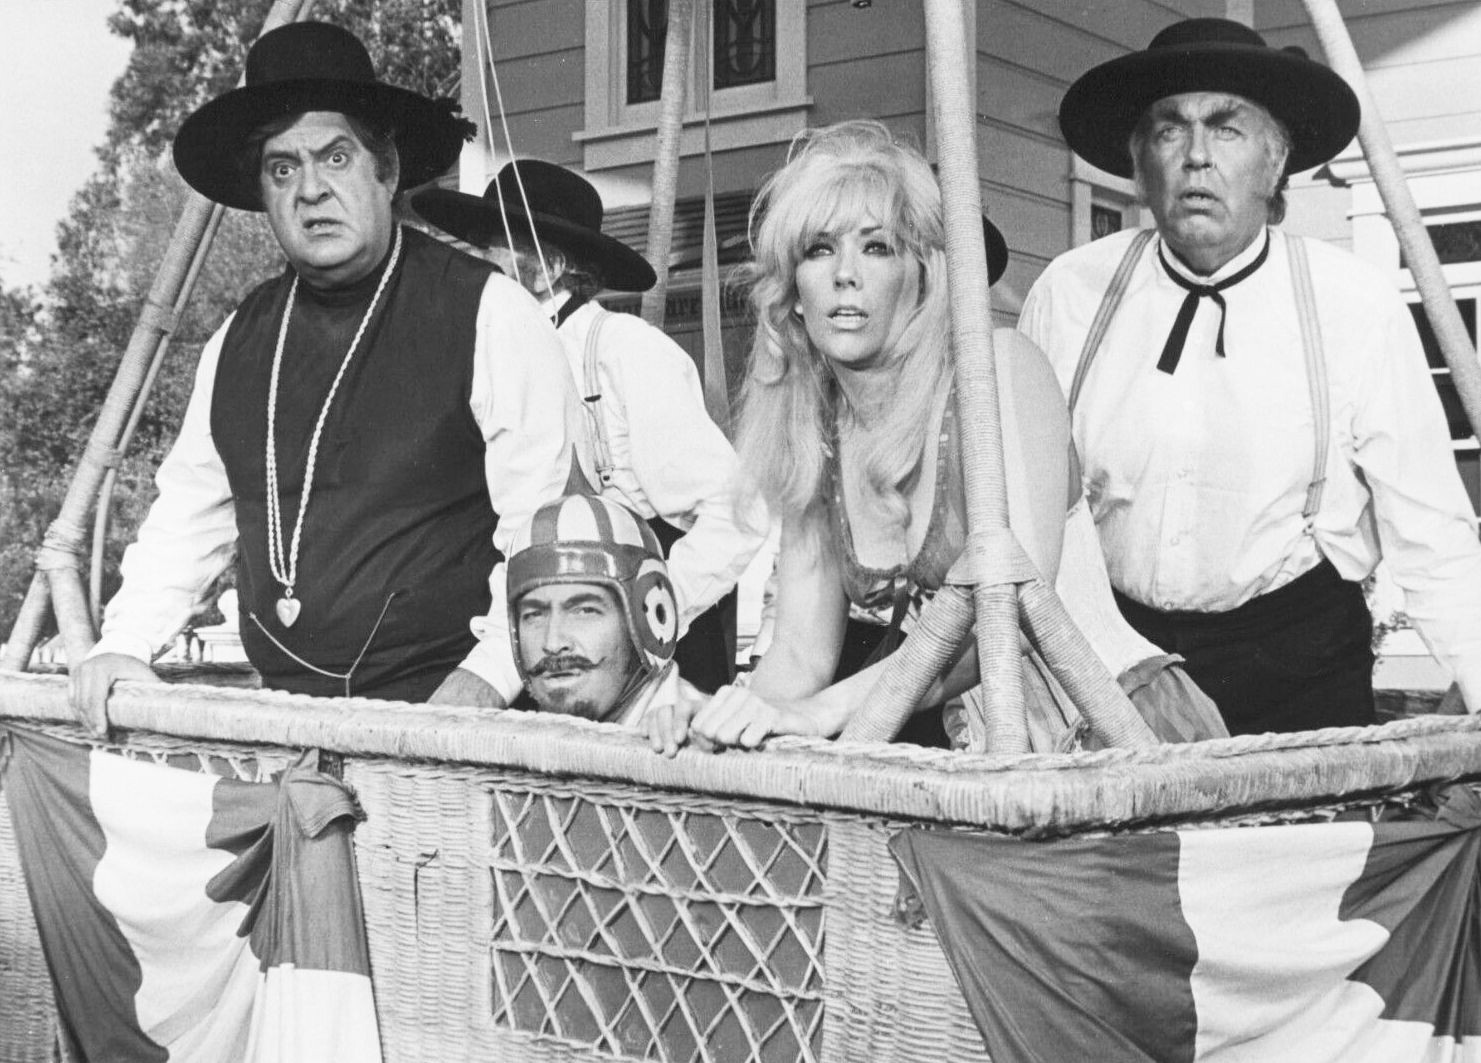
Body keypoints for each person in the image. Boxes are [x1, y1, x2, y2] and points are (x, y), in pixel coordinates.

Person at [69, 22, 582, 730]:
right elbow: (187, 515)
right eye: (282, 169)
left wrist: (482, 686)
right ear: (262, 194)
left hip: (456, 722)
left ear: (386, 171)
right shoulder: (237, 341)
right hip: (287, 720)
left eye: (335, 157)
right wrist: (124, 643)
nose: (310, 190)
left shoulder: (490, 312)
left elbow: (546, 531)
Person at [652, 120, 1225, 753]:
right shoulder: (815, 432)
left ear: (924, 275)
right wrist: (722, 716)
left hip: (1110, 734)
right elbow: (799, 654)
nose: (845, 274)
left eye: (877, 248)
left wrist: (817, 714)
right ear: (792, 292)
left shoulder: (998, 373)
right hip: (969, 752)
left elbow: (1008, 620)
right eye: (819, 249)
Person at [1019, 18, 1481, 735]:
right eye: (1169, 130)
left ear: (1275, 162)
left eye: (1226, 129)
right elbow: (1024, 508)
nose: (1196, 156)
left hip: (1298, 667)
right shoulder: (1071, 292)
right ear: (1140, 165)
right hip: (1114, 661)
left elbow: (1430, 535)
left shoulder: (1352, 304)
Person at [411, 162, 767, 696]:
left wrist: (647, 613)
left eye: (492, 252)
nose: (476, 271)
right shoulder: (484, 362)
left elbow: (738, 513)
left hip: (649, 673)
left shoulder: (623, 350)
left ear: (549, 267)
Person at [506, 493, 706, 740]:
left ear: (651, 620)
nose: (553, 643)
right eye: (534, 614)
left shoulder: (702, 741)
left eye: (585, 611)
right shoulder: (525, 738)